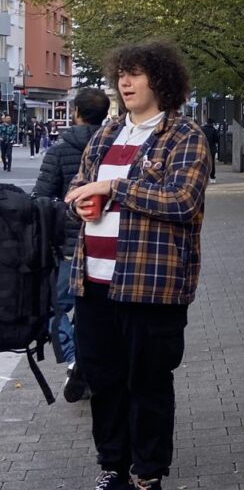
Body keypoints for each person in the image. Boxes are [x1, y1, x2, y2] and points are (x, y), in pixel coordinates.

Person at [64, 40, 211, 490]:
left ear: (160, 80)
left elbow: (183, 201)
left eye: (136, 74)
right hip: (95, 282)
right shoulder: (106, 135)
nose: (125, 82)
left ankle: (147, 472)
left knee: (148, 382)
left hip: (151, 285)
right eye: (121, 75)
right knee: (104, 380)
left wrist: (114, 188)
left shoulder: (185, 136)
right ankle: (113, 465)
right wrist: (83, 205)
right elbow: (77, 189)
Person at [32, 87, 111, 403]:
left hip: (66, 245)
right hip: (105, 243)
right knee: (96, 310)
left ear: (76, 112)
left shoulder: (58, 151)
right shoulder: (113, 149)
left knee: (55, 306)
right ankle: (92, 364)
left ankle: (76, 359)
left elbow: (40, 199)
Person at [200, 119, 219, 183]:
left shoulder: (202, 129)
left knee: (203, 162)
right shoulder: (213, 130)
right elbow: (216, 140)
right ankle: (212, 177)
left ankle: (203, 176)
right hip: (211, 149)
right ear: (212, 123)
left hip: (203, 148)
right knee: (212, 163)